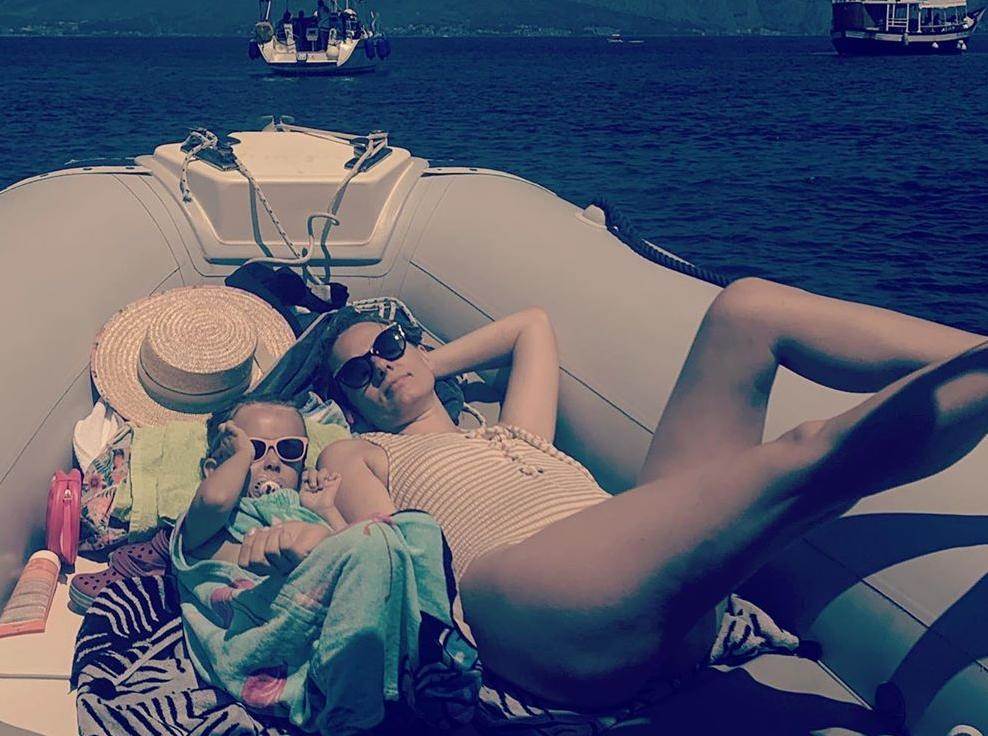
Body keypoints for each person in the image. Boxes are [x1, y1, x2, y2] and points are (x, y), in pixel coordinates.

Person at [249, 279, 986, 714]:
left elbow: (531, 327)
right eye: (359, 374)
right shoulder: (364, 451)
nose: (382, 369)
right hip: (529, 601)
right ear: (347, 404)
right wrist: (326, 510)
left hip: (639, 581)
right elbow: (383, 543)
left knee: (747, 308)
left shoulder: (513, 431)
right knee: (803, 455)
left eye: (388, 347)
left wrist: (426, 364)